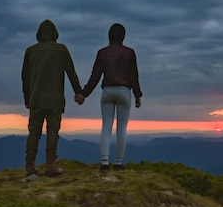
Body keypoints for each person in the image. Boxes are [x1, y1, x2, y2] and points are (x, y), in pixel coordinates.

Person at [76, 23, 142, 172]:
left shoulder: (102, 53)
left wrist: (83, 94)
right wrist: (138, 96)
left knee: (106, 127)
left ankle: (104, 163)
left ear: (109, 36)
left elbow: (95, 77)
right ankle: (118, 163)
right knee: (121, 129)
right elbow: (134, 77)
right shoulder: (129, 53)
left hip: (107, 92)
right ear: (123, 36)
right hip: (124, 92)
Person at [22, 19, 83, 177]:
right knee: (52, 133)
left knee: (34, 133)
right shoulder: (61, 50)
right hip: (55, 99)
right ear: (55, 33)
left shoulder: (31, 51)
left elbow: (25, 78)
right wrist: (78, 92)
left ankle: (30, 168)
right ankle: (50, 165)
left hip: (36, 99)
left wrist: (27, 99)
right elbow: (71, 73)